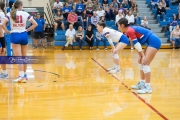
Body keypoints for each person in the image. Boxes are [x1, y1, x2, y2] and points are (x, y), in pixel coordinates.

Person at [118, 18, 161, 94]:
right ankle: (142, 83)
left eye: (118, 26)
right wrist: (140, 56)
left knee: (145, 63)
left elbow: (137, 44)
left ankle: (148, 87)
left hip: (154, 41)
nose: (118, 28)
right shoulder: (129, 31)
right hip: (150, 42)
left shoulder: (129, 30)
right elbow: (137, 44)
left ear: (122, 25)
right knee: (141, 61)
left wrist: (143, 56)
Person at [2, 0, 37, 83]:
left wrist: (7, 31)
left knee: (18, 58)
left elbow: (2, 24)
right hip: (24, 35)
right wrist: (27, 29)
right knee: (24, 57)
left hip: (15, 35)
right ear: (20, 6)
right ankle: (24, 75)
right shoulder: (25, 13)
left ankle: (21, 76)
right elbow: (35, 24)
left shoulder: (10, 13)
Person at [0, 1, 8, 79]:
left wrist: (3, 45)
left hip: (1, 36)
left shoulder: (1, 14)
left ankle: (5, 73)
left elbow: (1, 29)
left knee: (1, 55)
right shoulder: (2, 14)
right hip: (1, 36)